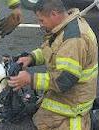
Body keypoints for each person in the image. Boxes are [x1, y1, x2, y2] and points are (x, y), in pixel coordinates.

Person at [9, 0, 98, 129]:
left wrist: (30, 79)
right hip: (70, 92)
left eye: (41, 20)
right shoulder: (65, 26)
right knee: (40, 118)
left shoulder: (74, 40)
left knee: (44, 123)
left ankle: (81, 121)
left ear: (54, 14)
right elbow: (52, 51)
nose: (40, 25)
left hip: (74, 102)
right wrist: (31, 58)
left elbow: (64, 80)